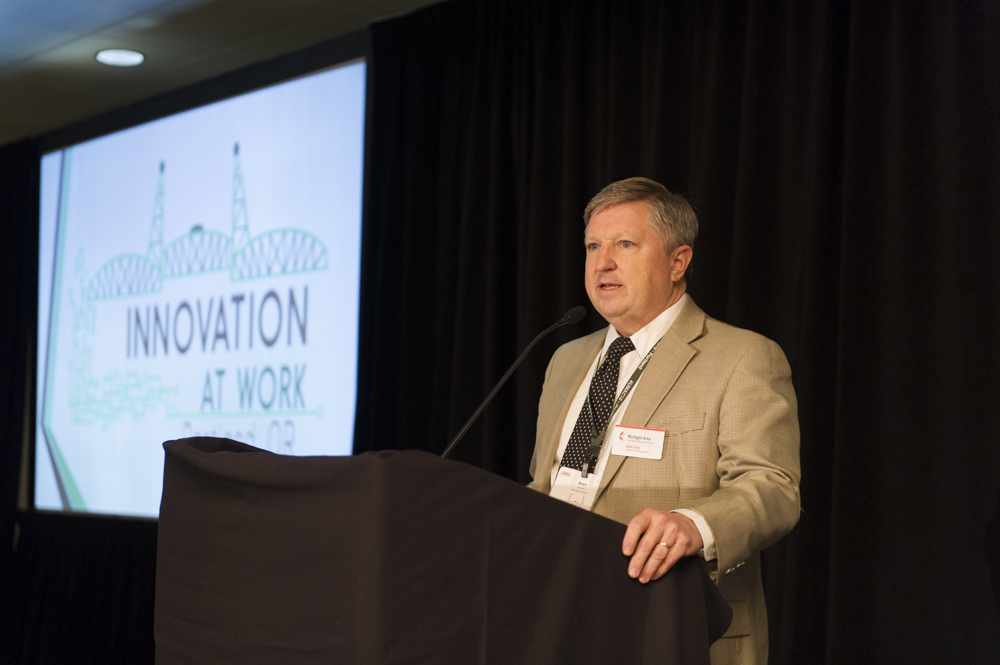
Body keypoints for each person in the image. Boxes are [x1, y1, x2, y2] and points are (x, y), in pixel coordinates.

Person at [528, 177, 801, 665]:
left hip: (676, 628)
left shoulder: (742, 356)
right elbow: (549, 486)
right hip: (561, 622)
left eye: (625, 244)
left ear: (679, 262)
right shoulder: (566, 359)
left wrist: (693, 524)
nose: (602, 262)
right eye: (593, 245)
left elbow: (773, 486)